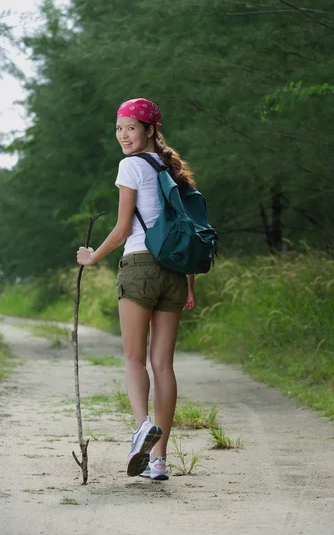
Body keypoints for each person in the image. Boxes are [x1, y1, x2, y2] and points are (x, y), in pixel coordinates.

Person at [77, 98, 196, 481]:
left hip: (141, 267)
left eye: (131, 127)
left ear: (149, 130)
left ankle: (142, 426)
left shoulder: (130, 166)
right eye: (119, 129)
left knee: (133, 358)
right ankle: (159, 461)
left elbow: (124, 227)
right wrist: (189, 283)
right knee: (164, 365)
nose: (123, 136)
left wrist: (92, 257)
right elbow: (185, 227)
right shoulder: (171, 167)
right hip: (175, 272)